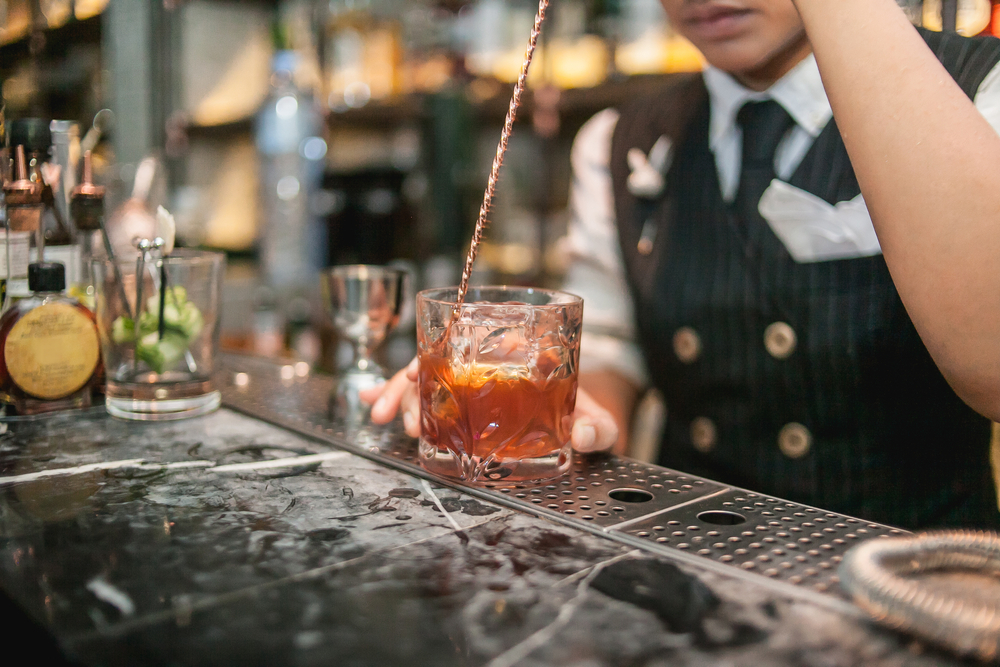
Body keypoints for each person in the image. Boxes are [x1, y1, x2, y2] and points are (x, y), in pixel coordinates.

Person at [367, 0, 1000, 530]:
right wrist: (549, 406)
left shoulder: (974, 91)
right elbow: (613, 354)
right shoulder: (621, 140)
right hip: (694, 573)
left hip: (918, 585)